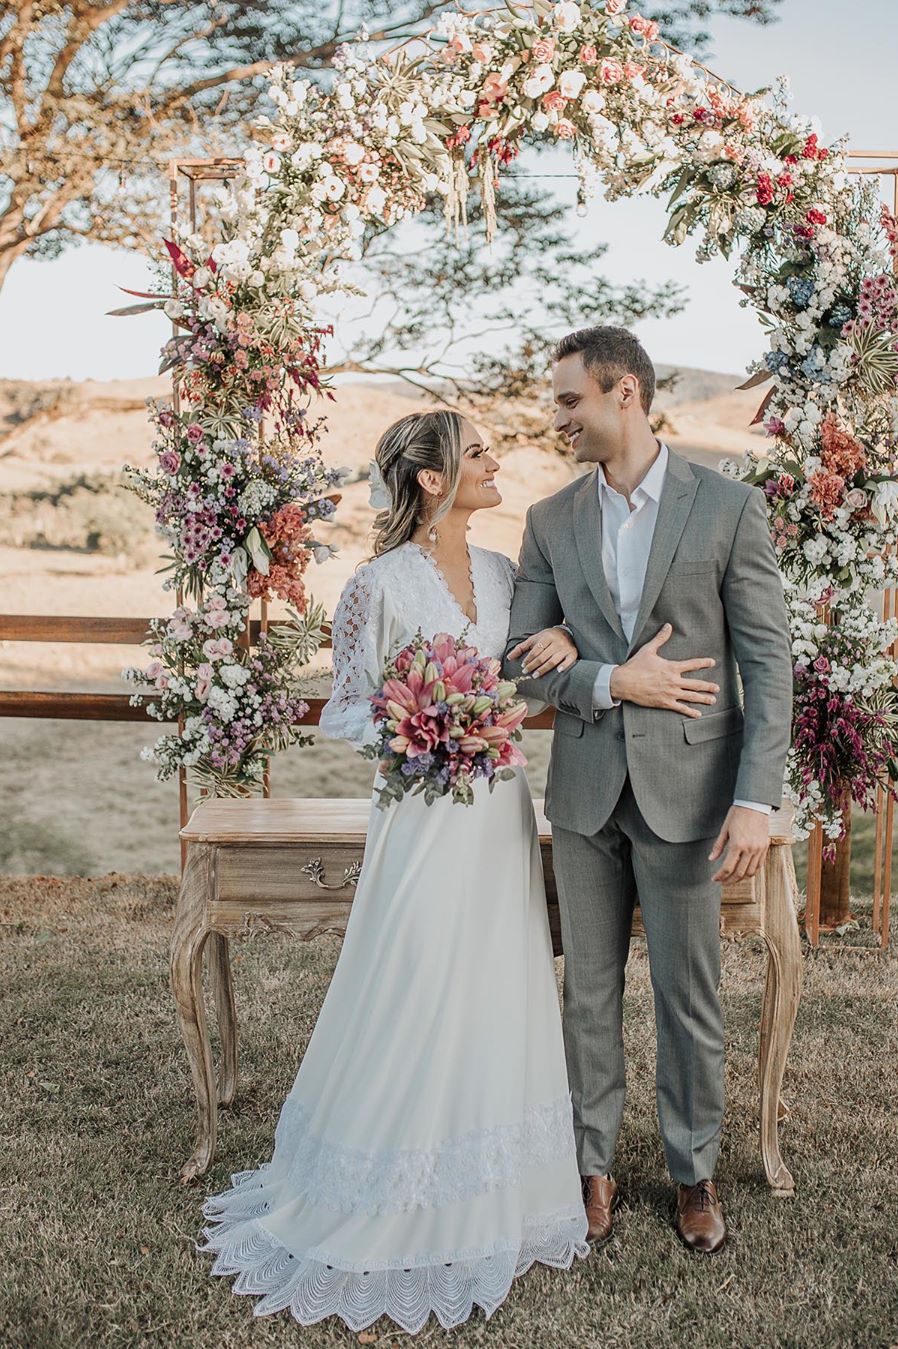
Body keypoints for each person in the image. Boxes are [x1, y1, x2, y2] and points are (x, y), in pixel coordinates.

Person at [199, 410, 589, 1335]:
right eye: (480, 452)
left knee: (493, 981)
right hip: (419, 813)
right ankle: (382, 1174)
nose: (498, 463)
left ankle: (496, 1184)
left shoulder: (506, 575)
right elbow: (344, 710)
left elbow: (529, 675)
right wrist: (422, 731)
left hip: (497, 810)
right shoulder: (374, 585)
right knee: (414, 977)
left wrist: (558, 647)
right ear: (429, 478)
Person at [504, 326, 793, 1255]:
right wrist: (605, 679)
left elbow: (767, 662)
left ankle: (693, 1169)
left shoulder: (728, 509)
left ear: (623, 393)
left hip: (692, 796)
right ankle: (592, 1167)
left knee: (688, 992)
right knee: (587, 991)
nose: (560, 419)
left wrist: (755, 798)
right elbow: (524, 663)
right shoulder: (549, 521)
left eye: (569, 400)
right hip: (586, 793)